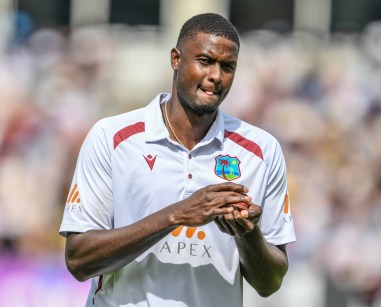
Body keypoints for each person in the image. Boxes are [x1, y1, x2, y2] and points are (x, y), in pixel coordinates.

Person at [59, 13, 296, 307]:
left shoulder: (261, 151)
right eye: (205, 61)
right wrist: (178, 214)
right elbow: (78, 259)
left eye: (228, 67)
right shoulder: (112, 137)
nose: (216, 76)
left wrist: (248, 235)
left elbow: (270, 283)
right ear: (175, 59)